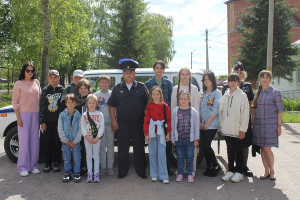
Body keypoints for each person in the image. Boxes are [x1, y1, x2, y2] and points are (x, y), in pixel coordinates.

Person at [108, 58, 149, 179]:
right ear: (123, 74)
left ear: (135, 73)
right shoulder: (117, 88)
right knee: (122, 149)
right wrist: (114, 121)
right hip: (122, 124)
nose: (128, 74)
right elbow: (112, 105)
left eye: (131, 71)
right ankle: (122, 171)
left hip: (138, 123)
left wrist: (146, 123)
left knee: (139, 148)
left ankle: (141, 171)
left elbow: (148, 106)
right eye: (126, 71)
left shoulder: (142, 87)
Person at [222, 62, 254, 177]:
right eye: (236, 72)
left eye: (240, 73)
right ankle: (233, 168)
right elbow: (223, 107)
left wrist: (252, 121)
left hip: (243, 120)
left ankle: (243, 167)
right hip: (230, 121)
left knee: (244, 144)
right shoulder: (226, 87)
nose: (238, 74)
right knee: (231, 145)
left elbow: (251, 104)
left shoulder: (247, 86)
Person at [252, 70, 283, 181]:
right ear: (259, 79)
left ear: (270, 79)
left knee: (267, 149)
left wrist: (279, 126)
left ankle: (272, 171)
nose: (265, 79)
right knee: (262, 149)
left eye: (267, 77)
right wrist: (252, 123)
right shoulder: (257, 93)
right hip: (259, 125)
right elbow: (254, 110)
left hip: (270, 125)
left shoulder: (275, 93)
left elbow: (280, 111)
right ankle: (266, 171)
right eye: (263, 77)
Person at [12, 62, 41, 176]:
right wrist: (18, 118)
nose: (30, 73)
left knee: (35, 141)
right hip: (23, 115)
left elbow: (39, 99)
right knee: (24, 142)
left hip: (36, 115)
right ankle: (23, 167)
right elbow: (14, 101)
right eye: (27, 70)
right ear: (24, 71)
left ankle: (33, 165)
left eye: (32, 71)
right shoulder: (18, 84)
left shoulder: (36, 82)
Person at [145, 60, 174, 176]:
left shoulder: (168, 83)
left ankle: (165, 169)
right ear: (154, 69)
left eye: (161, 68)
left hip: (163, 119)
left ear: (163, 70)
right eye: (157, 68)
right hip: (152, 119)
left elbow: (172, 100)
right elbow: (146, 102)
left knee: (164, 147)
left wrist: (168, 119)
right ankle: (154, 171)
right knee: (153, 148)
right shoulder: (148, 84)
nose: (159, 70)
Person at [219, 73, 249, 183]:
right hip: (227, 128)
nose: (232, 83)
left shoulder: (242, 95)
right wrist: (222, 125)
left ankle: (239, 172)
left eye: (235, 81)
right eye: (230, 81)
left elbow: (245, 113)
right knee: (229, 150)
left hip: (237, 128)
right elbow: (221, 111)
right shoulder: (225, 95)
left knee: (238, 150)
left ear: (238, 82)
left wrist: (243, 129)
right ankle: (230, 170)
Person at [170, 67, 200, 175]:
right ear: (179, 76)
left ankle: (192, 170)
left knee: (191, 150)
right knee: (180, 151)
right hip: (180, 121)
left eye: (187, 74)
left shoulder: (194, 88)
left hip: (191, 120)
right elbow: (173, 105)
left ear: (190, 76)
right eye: (182, 74)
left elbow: (196, 105)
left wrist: (196, 121)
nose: (184, 76)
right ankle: (181, 169)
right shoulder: (175, 89)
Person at [144, 86, 171, 184]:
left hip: (161, 132)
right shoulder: (149, 106)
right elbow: (146, 120)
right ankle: (154, 174)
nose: (155, 96)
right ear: (151, 95)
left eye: (157, 94)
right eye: (153, 94)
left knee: (162, 153)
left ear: (160, 95)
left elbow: (168, 120)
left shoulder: (165, 106)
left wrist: (168, 133)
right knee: (152, 153)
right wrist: (146, 134)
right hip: (151, 132)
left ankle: (163, 175)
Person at [39, 70, 64, 173]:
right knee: (48, 142)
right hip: (48, 121)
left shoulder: (63, 90)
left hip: (59, 121)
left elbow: (64, 106)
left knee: (58, 142)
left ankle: (57, 162)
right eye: (51, 77)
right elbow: (41, 107)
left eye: (55, 77)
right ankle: (48, 162)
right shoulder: (45, 91)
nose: (53, 79)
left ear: (58, 78)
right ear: (48, 79)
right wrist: (42, 122)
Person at [199, 70, 222, 177]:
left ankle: (216, 166)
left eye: (208, 79)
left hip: (211, 124)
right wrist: (199, 121)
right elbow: (197, 108)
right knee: (203, 147)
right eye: (205, 79)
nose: (206, 81)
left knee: (206, 145)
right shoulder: (201, 93)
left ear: (212, 80)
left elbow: (216, 109)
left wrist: (207, 123)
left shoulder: (216, 93)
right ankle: (209, 167)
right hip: (202, 124)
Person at [58, 93, 82, 183]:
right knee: (66, 157)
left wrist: (76, 140)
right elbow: (60, 128)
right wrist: (65, 140)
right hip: (66, 141)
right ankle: (67, 173)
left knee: (77, 157)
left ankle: (77, 173)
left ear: (76, 104)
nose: (71, 104)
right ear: (65, 103)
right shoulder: (62, 115)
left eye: (73, 102)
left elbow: (81, 129)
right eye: (69, 102)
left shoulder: (79, 115)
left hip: (76, 141)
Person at [81, 94, 105, 183]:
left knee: (96, 156)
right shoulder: (84, 115)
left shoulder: (100, 114)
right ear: (87, 104)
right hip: (87, 138)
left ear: (96, 103)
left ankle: (96, 174)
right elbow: (82, 126)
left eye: (93, 103)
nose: (91, 105)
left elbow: (102, 127)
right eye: (90, 103)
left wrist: (97, 137)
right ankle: (90, 174)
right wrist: (86, 136)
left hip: (96, 139)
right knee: (89, 156)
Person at [94, 75, 115, 176]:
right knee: (102, 146)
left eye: (106, 82)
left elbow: (116, 109)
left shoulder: (112, 94)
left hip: (110, 123)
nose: (104, 84)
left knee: (110, 145)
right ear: (99, 83)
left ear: (109, 83)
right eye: (102, 82)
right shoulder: (95, 95)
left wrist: (115, 121)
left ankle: (110, 166)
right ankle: (103, 166)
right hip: (99, 126)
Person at [75, 79, 92, 176]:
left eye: (85, 88)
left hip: (88, 127)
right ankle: (80, 166)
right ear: (78, 89)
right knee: (79, 148)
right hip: (78, 128)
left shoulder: (90, 99)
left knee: (88, 148)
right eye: (81, 88)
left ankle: (89, 167)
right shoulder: (76, 100)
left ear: (89, 89)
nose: (83, 90)